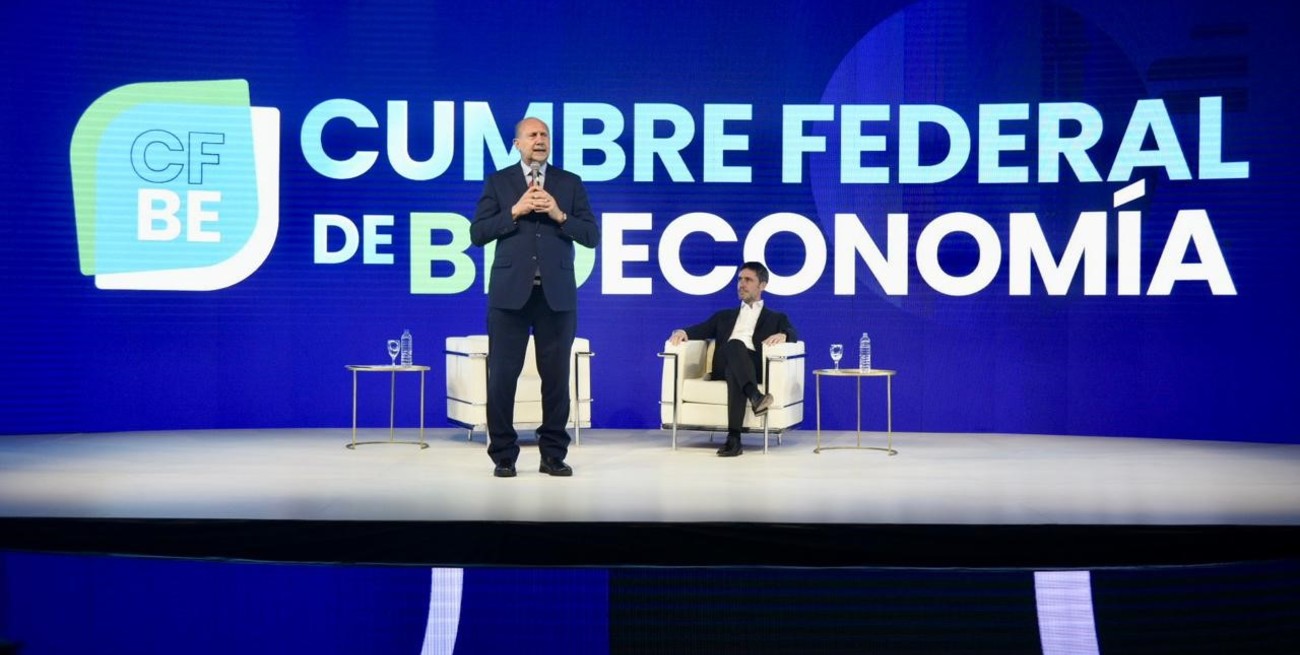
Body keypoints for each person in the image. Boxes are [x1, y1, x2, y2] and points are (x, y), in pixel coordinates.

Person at [470, 117, 599, 478]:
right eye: (532, 135)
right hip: (509, 295)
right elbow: (478, 233)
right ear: (517, 143)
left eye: (544, 135)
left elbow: (591, 236)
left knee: (556, 379)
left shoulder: (570, 183)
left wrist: (559, 214)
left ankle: (553, 455)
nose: (539, 140)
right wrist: (515, 210)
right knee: (502, 378)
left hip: (556, 296)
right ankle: (504, 455)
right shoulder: (499, 182)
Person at [668, 262, 798, 457]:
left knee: (734, 372)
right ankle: (755, 396)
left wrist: (784, 335)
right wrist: (682, 331)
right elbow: (702, 329)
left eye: (748, 280)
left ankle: (734, 440)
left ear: (762, 285)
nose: (741, 284)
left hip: (752, 367)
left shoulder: (776, 318)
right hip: (724, 361)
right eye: (739, 279)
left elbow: (793, 332)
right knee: (734, 345)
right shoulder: (724, 316)